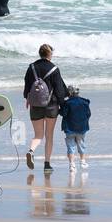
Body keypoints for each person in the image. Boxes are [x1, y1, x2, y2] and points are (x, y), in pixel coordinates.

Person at [23, 43, 70, 172]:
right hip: (51, 106)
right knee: (49, 136)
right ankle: (47, 164)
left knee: (38, 135)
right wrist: (64, 104)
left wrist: (27, 98)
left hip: (35, 105)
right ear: (50, 54)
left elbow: (27, 86)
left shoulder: (31, 67)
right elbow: (60, 90)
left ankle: (31, 151)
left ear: (40, 53)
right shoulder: (54, 69)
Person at [61, 85, 91, 169]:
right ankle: (83, 162)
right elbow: (88, 114)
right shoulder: (85, 102)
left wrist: (60, 107)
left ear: (69, 93)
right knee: (81, 144)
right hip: (82, 127)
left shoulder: (67, 103)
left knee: (70, 146)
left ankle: (72, 164)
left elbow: (63, 113)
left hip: (69, 128)